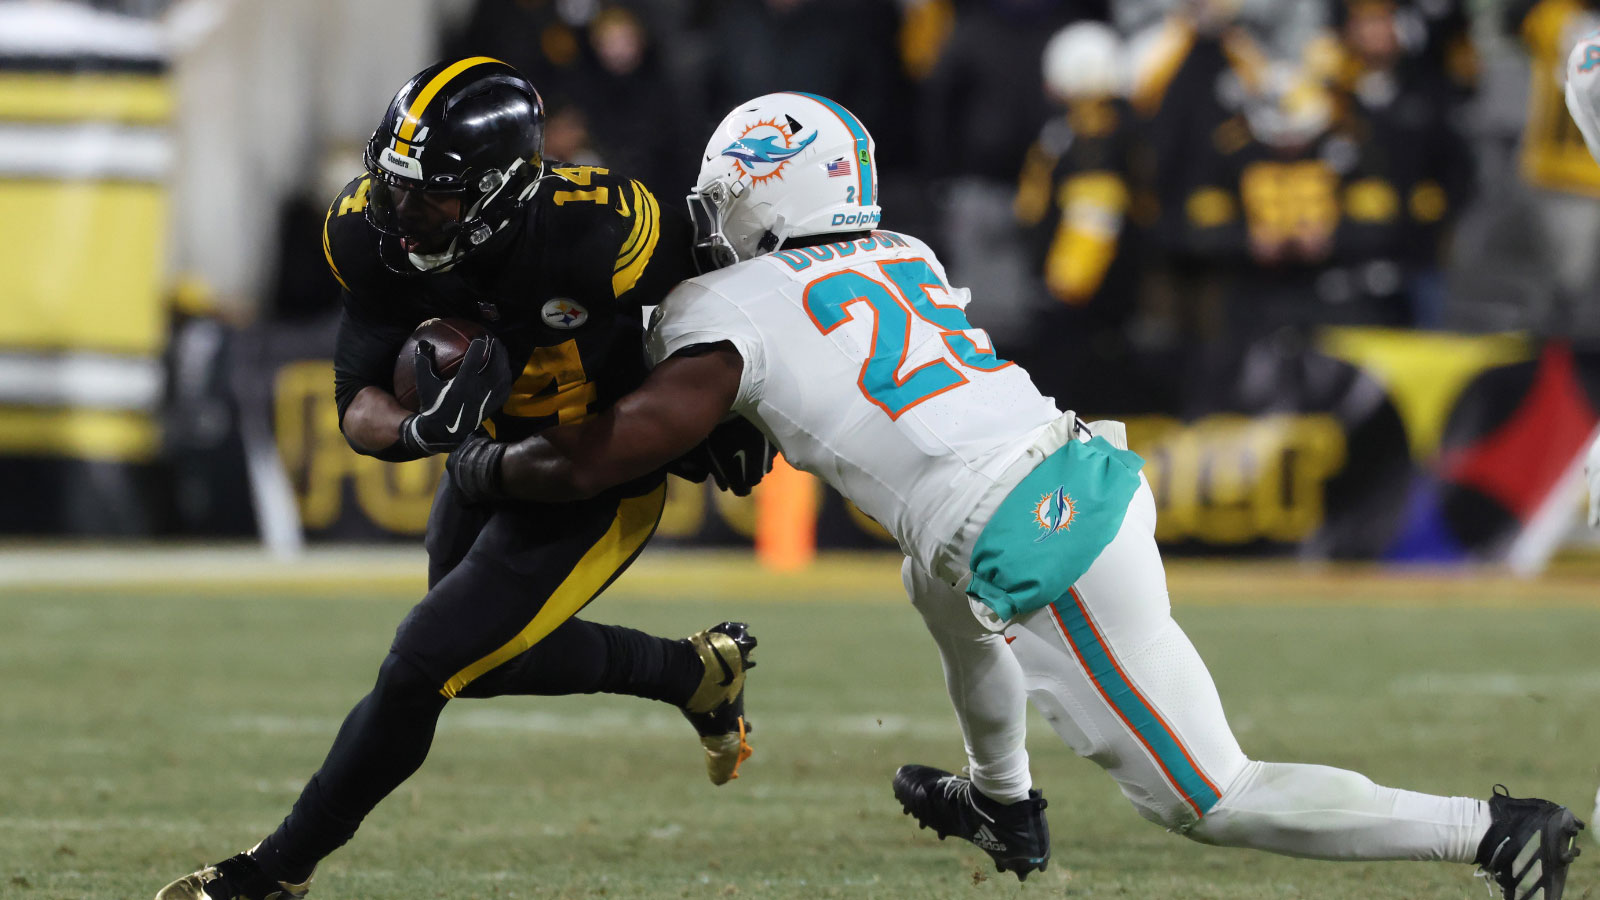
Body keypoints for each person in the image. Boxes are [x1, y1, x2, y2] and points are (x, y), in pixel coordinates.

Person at [444, 91, 1587, 898]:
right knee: (929, 575)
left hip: (1038, 528)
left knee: (1206, 797)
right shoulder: (901, 251)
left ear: (755, 196)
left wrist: (484, 460)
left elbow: (611, 451)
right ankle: (1003, 799)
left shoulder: (724, 308)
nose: (709, 215)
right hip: (1061, 469)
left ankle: (1487, 833)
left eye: (724, 195)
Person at [154, 58, 770, 900]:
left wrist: (739, 407)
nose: (400, 211)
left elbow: (741, 299)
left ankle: (274, 874)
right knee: (472, 663)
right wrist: (418, 429)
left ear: (503, 187)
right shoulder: (369, 233)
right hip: (486, 463)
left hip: (591, 476)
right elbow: (353, 400)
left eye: (428, 194)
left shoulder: (596, 224)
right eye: (393, 184)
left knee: (422, 664)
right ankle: (694, 674)